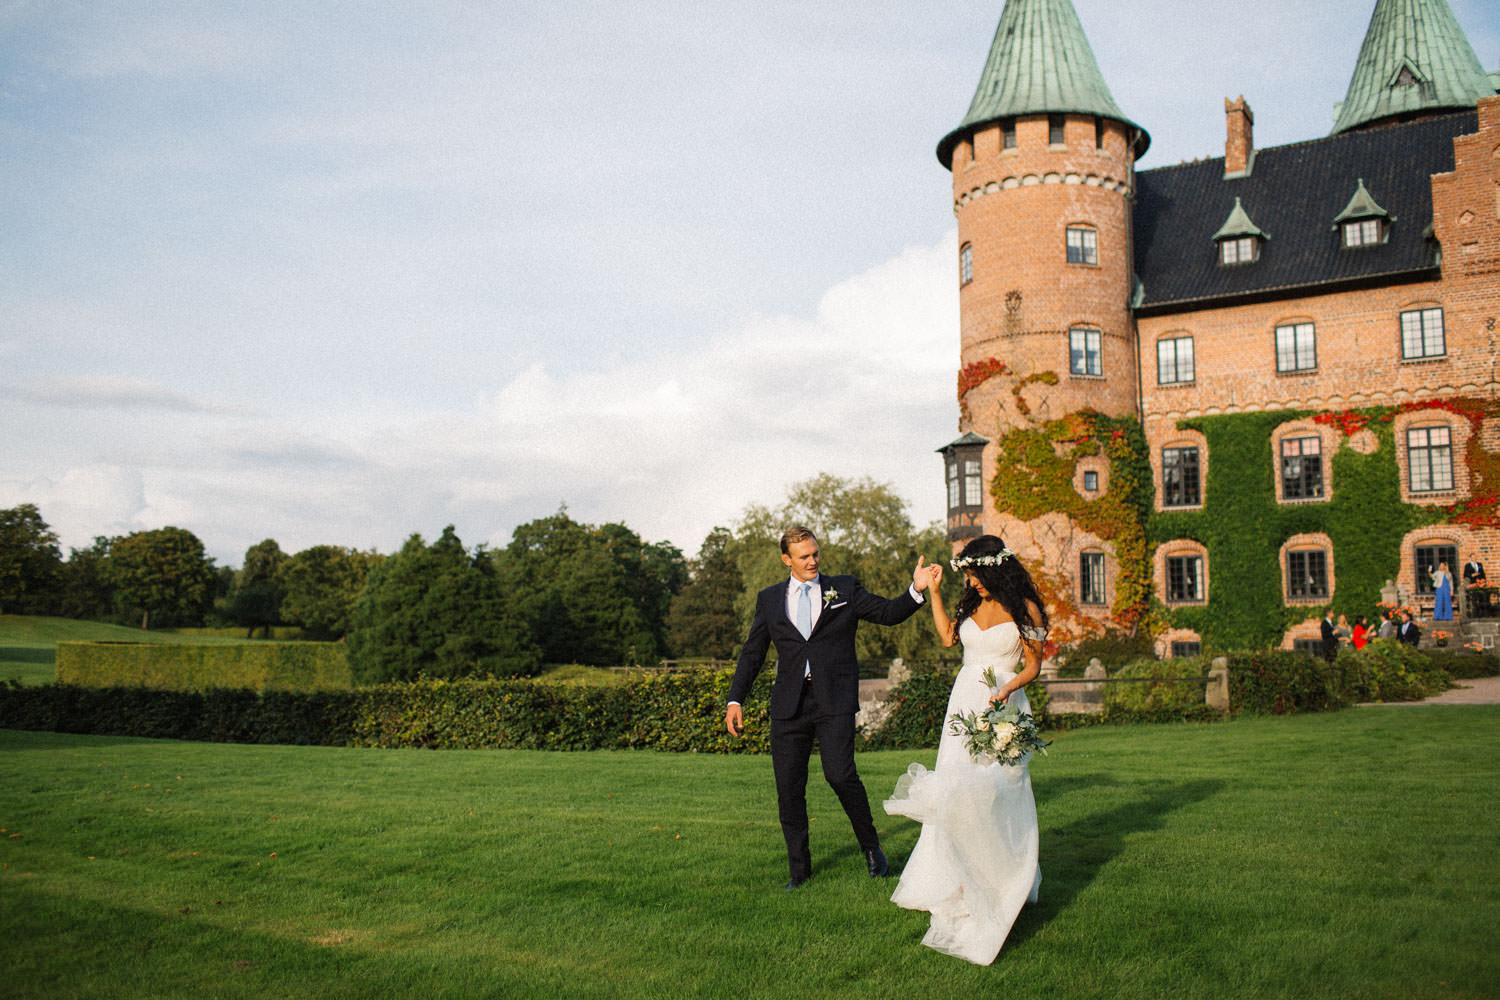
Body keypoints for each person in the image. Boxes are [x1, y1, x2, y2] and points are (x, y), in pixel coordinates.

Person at [724, 525, 933, 891]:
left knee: (840, 775)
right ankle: (799, 872)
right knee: (789, 789)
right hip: (789, 705)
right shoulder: (769, 599)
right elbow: (753, 652)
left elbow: (887, 613)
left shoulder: (845, 589)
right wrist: (735, 698)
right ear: (786, 559)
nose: (812, 561)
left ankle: (871, 848)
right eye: (803, 556)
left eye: (815, 553)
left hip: (833, 700)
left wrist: (915, 590)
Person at [883, 534, 1047, 966]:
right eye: (967, 575)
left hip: (1004, 703)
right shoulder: (972, 604)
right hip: (964, 703)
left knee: (998, 790)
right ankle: (956, 877)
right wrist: (934, 592)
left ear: (993, 569)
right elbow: (947, 639)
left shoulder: (1024, 608)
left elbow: (1033, 665)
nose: (970, 582)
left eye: (974, 573)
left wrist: (1007, 688)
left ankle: (1003, 872)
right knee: (956, 788)